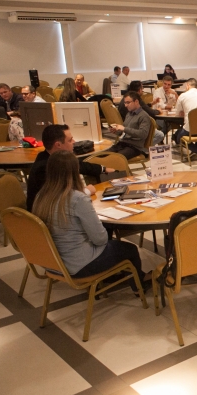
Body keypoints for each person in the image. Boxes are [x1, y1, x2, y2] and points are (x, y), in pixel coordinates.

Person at [32, 151, 143, 283]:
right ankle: (139, 285)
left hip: (52, 264)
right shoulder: (78, 199)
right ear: (75, 172)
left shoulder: (41, 196)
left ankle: (111, 278)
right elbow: (100, 239)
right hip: (78, 266)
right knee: (130, 249)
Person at [26, 124, 114, 212]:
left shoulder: (56, 158)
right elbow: (57, 199)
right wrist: (86, 191)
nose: (74, 142)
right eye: (70, 140)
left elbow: (80, 165)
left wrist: (103, 169)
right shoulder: (43, 168)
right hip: (46, 214)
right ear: (58, 145)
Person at [107, 92, 153, 159]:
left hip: (135, 147)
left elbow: (143, 134)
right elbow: (123, 132)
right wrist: (116, 131)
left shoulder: (144, 116)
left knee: (115, 159)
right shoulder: (129, 114)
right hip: (123, 143)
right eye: (125, 103)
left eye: (128, 103)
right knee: (102, 155)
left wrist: (124, 129)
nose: (125, 105)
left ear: (136, 101)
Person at [173, 78, 197, 159]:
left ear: (187, 85)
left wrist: (184, 111)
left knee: (178, 138)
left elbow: (177, 113)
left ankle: (196, 150)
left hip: (190, 128)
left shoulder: (183, 96)